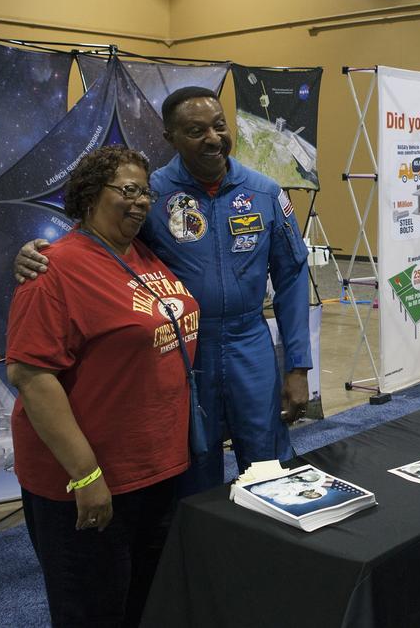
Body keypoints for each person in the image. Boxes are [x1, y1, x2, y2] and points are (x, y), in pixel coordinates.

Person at [16, 87, 311, 495]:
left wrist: (297, 365)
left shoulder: (265, 193)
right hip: (185, 349)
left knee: (269, 461)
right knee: (194, 465)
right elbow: (96, 244)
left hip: (250, 344)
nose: (212, 138)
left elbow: (293, 276)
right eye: (195, 130)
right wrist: (32, 252)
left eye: (219, 126)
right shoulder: (148, 196)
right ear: (170, 139)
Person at [7, 146, 199, 626]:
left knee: (144, 603)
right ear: (91, 194)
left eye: (145, 193)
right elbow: (31, 377)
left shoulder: (144, 252)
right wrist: (87, 475)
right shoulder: (53, 271)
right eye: (127, 190)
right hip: (88, 481)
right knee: (91, 611)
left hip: (154, 471)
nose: (139, 202)